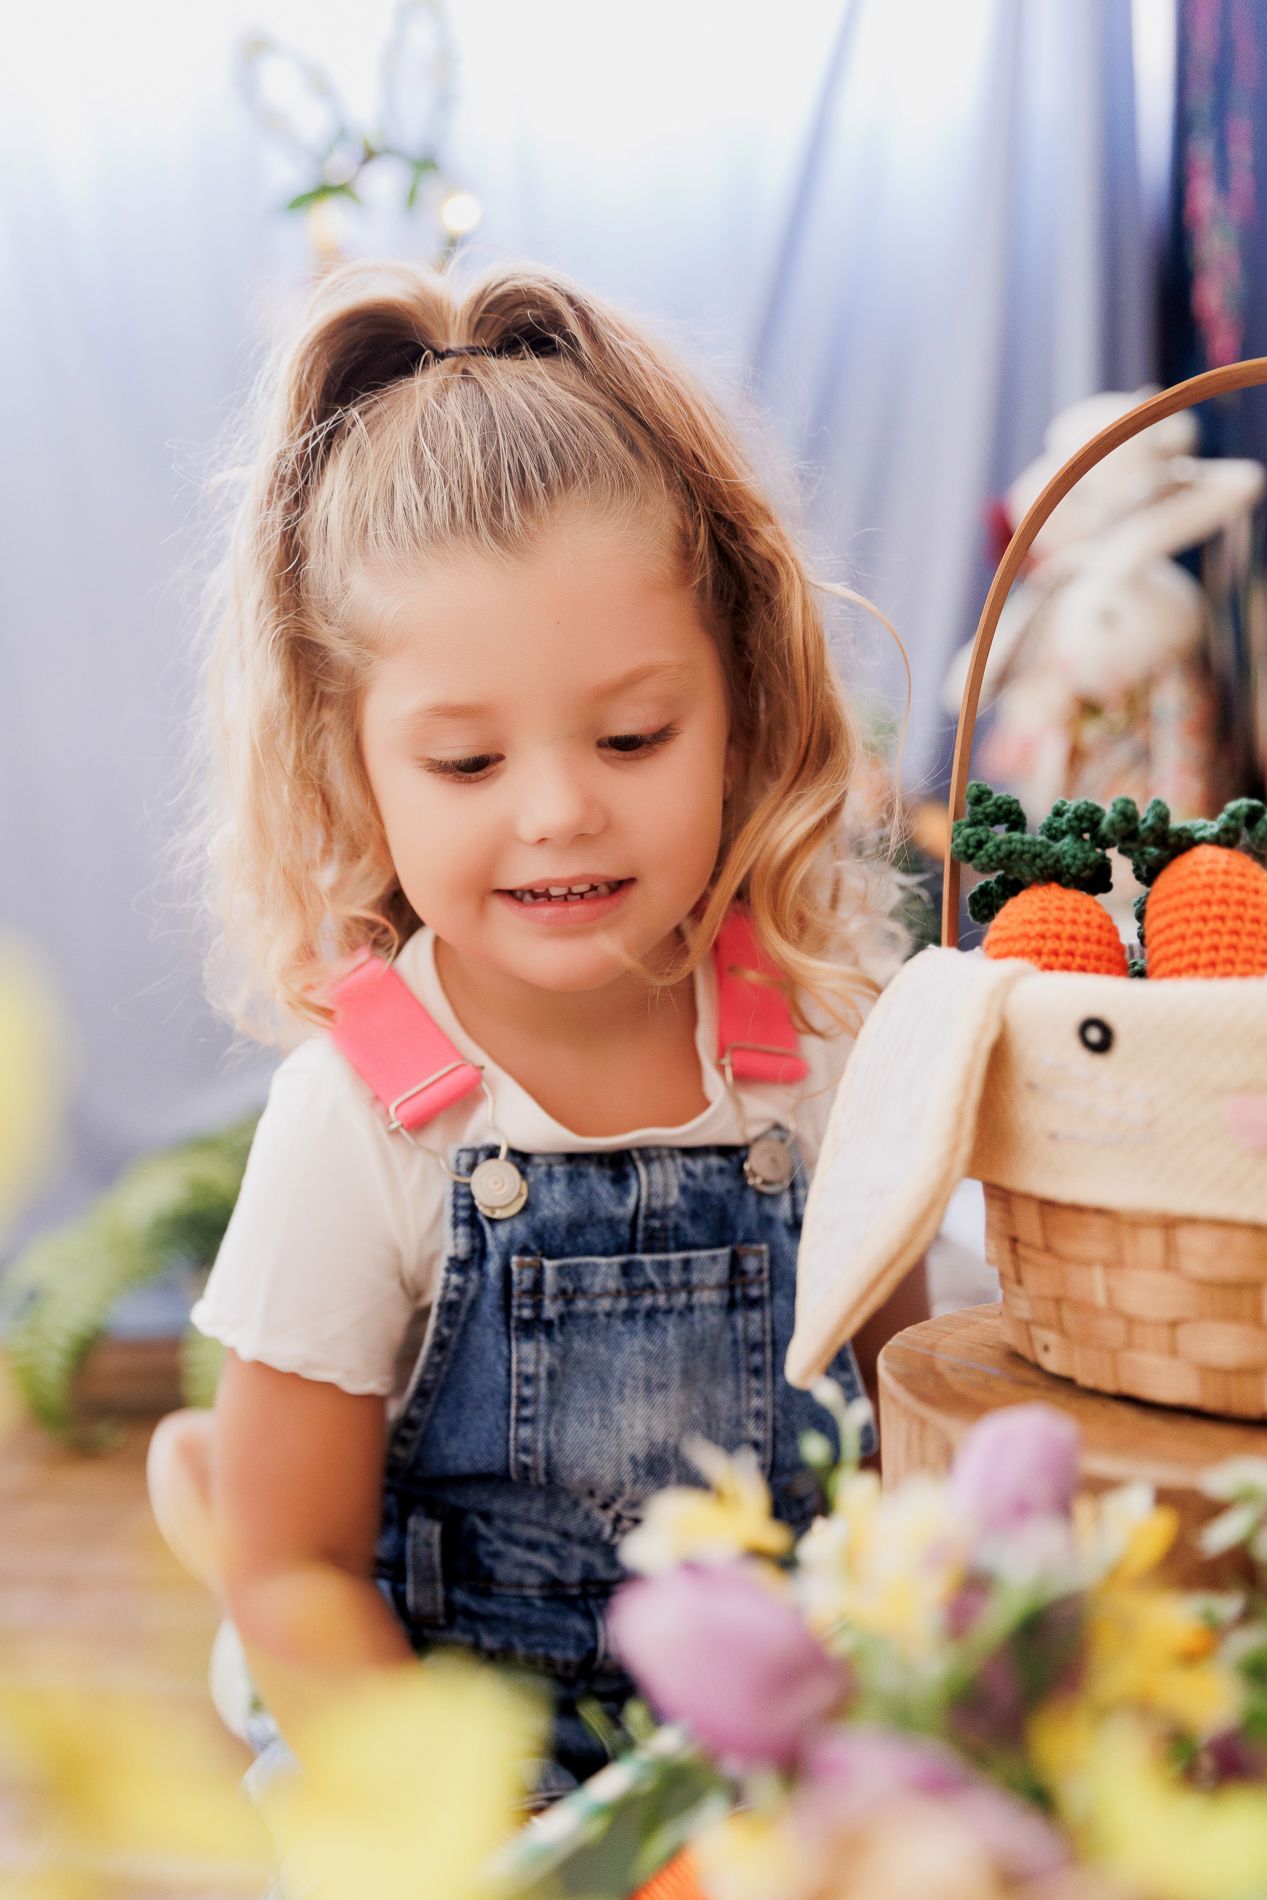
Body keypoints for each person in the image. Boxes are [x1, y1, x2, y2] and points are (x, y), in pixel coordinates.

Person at [146, 258, 925, 1814]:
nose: (560, 807)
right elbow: (298, 1573)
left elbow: (911, 1456)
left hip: (771, 1754)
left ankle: (196, 1466)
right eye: (466, 759)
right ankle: (202, 1473)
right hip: (445, 1745)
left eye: (634, 736)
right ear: (354, 762)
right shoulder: (361, 1120)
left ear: (744, 701)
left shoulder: (828, 1055)